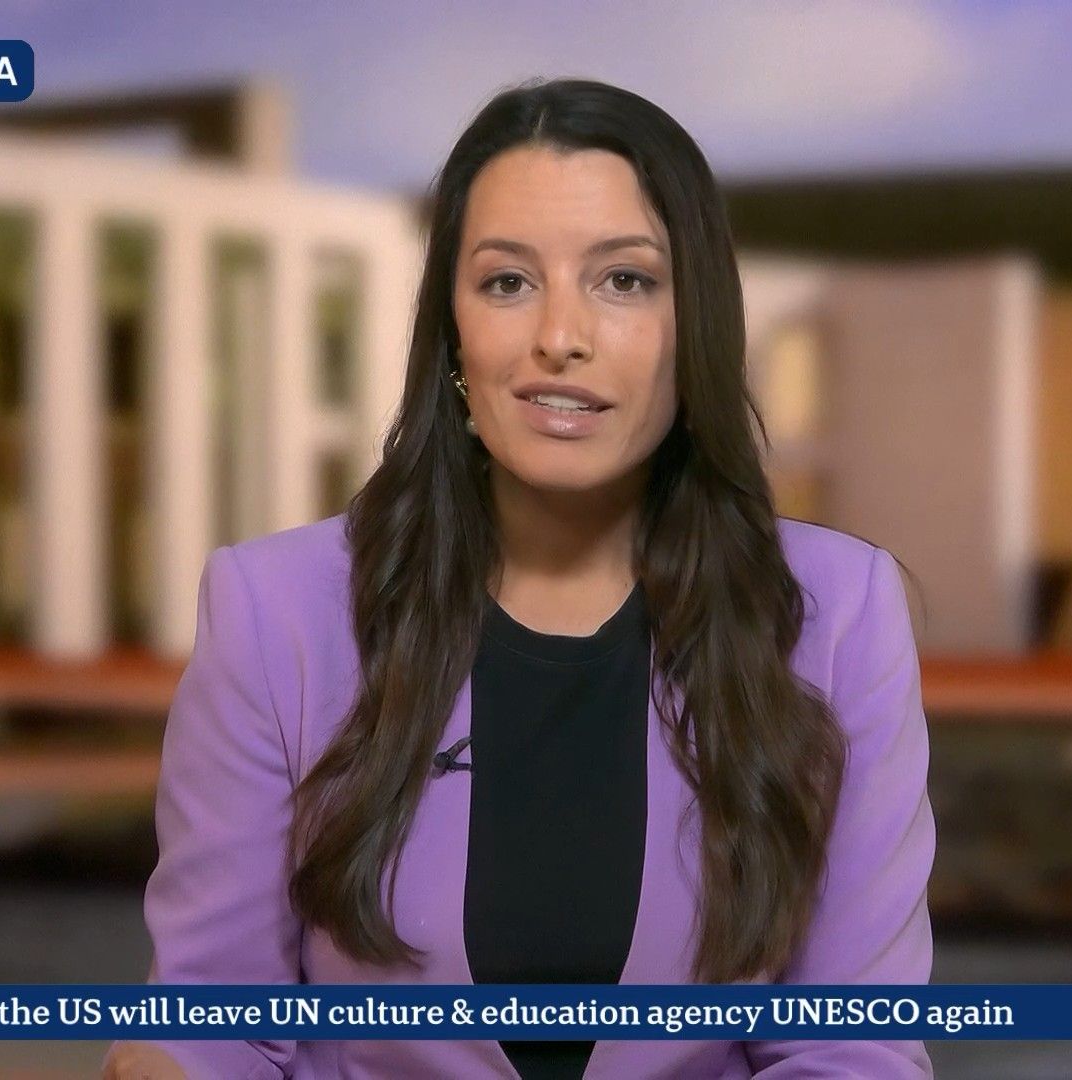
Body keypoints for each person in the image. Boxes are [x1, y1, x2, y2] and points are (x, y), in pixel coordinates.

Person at [104, 76, 934, 1080]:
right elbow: (211, 1027)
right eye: (507, 282)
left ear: (697, 324)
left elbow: (851, 1047)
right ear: (453, 332)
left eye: (624, 280)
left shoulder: (840, 617)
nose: (560, 336)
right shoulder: (271, 613)